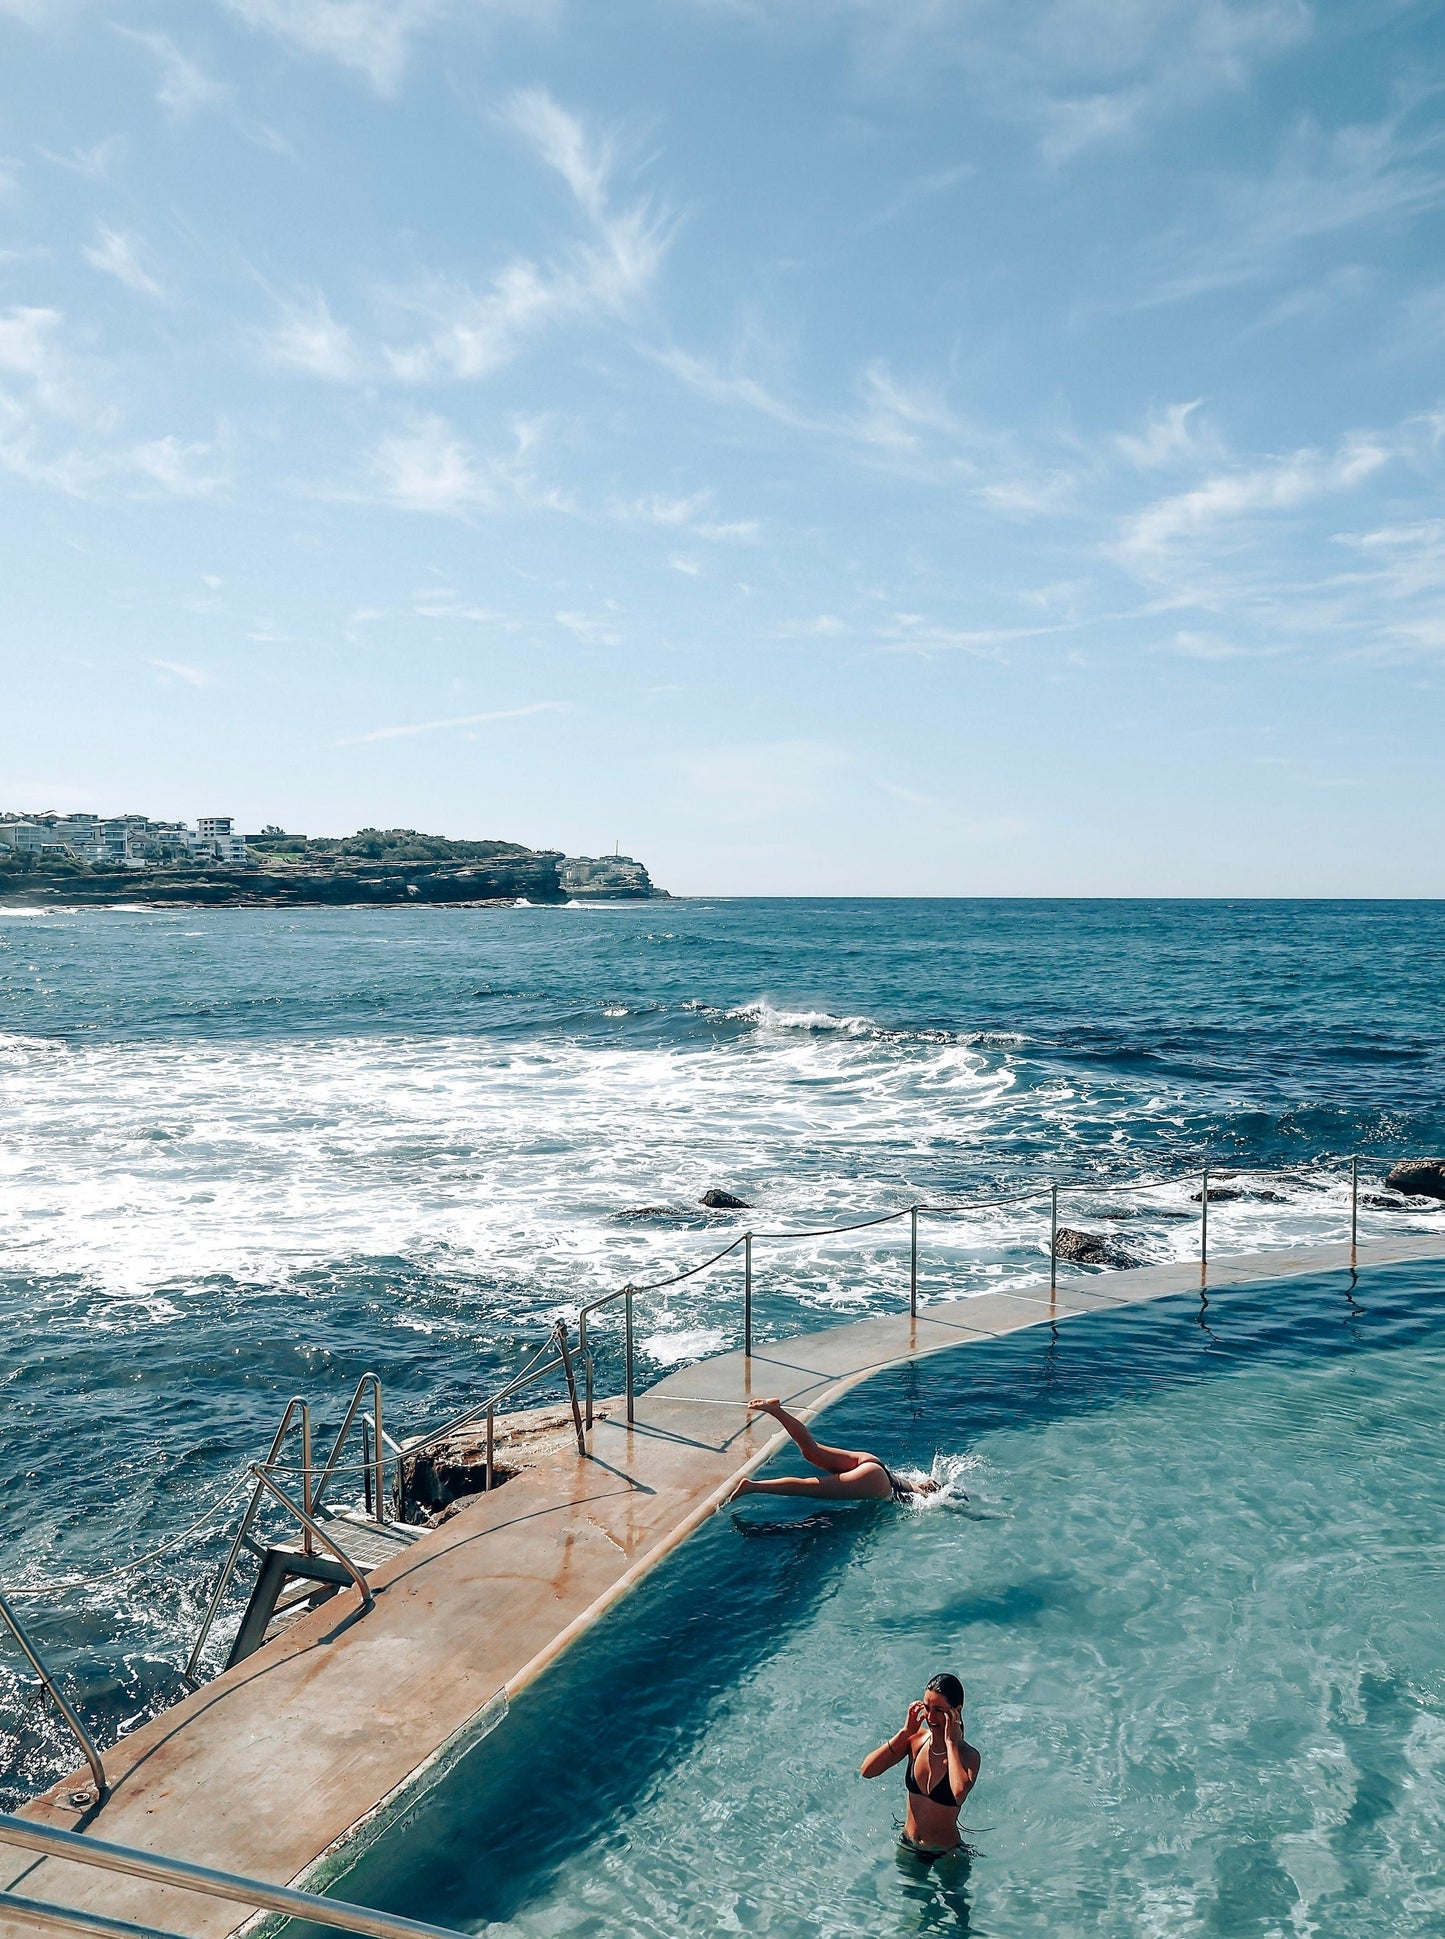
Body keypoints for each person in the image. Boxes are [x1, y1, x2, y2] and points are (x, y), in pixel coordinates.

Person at [861, 1673, 980, 1868]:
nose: (930, 1718)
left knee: (955, 1899)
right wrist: (905, 1732)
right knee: (910, 1897)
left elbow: (958, 1794)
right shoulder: (915, 1741)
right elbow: (867, 1770)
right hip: (909, 1844)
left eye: (939, 1710)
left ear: (956, 1711)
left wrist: (951, 1742)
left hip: (948, 1854)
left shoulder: (968, 1756)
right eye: (927, 1708)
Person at [729, 1397, 939, 1502]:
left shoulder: (913, 1482)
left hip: (873, 1463)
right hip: (876, 1481)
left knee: (812, 1450)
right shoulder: (920, 1497)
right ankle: (753, 1486)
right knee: (810, 1486)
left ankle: (776, 1410)